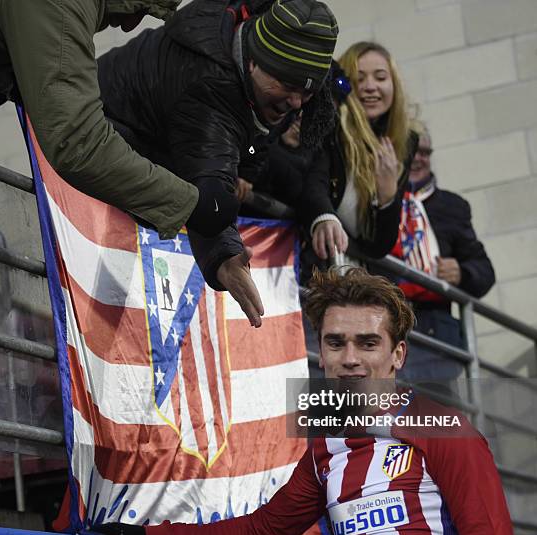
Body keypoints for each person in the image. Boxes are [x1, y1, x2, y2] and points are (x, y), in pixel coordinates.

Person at [95, 267, 518, 535]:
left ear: (398, 355)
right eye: (336, 343)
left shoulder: (444, 430)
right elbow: (260, 534)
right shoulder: (326, 447)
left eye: (368, 343)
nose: (349, 358)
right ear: (321, 351)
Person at [97, 0, 338, 327]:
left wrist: (244, 168)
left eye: (307, 93)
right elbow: (209, 194)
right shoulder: (211, 84)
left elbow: (251, 145)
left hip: (146, 155)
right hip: (99, 145)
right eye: (288, 86)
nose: (296, 103)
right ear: (253, 63)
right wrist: (223, 253)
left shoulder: (264, 71)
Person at [0, 0, 246, 242]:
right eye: (139, 8)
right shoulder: (61, 7)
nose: (131, 24)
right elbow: (78, 142)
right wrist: (191, 205)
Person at [299, 42, 418, 273]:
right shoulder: (330, 124)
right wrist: (324, 216)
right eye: (359, 78)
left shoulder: (404, 141)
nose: (370, 87)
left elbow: (379, 246)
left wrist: (387, 198)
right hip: (317, 264)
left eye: (381, 77)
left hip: (358, 270)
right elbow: (313, 181)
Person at [391, 123, 495, 381]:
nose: (418, 158)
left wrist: (463, 273)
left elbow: (484, 271)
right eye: (410, 150)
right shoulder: (376, 200)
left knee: (434, 418)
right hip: (386, 324)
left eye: (424, 152)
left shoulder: (452, 206)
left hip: (434, 333)